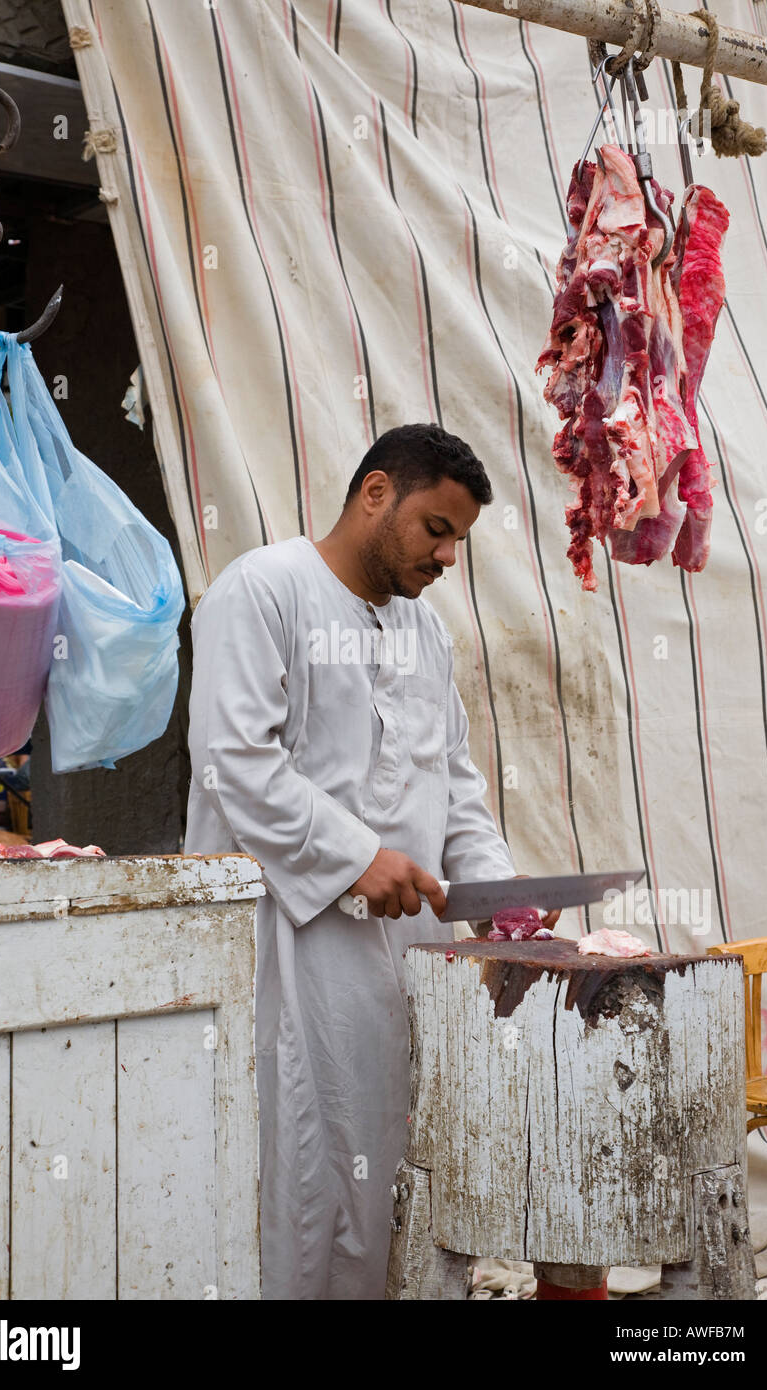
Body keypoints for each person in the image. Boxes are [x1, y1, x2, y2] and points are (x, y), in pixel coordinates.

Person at [184, 422, 559, 1299]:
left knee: (385, 1171)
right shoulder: (264, 590)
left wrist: (503, 902)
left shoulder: (425, 634)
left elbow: (452, 781)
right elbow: (233, 759)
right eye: (437, 528)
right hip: (285, 944)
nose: (448, 556)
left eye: (460, 540)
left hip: (398, 963)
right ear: (377, 492)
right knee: (293, 1173)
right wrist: (355, 857)